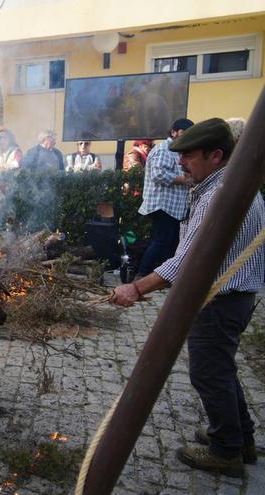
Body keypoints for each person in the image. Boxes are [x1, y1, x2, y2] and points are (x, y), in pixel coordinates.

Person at [109, 118, 262, 478]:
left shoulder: (219, 197)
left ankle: (226, 451)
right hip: (234, 294)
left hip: (222, 298)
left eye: (189, 156)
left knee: (209, 373)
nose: (180, 162)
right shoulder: (231, 187)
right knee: (221, 369)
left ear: (216, 155)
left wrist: (135, 287)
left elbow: (186, 261)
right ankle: (241, 438)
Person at [137, 118, 195, 277]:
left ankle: (165, 277)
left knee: (171, 244)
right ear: (174, 132)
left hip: (174, 208)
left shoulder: (178, 150)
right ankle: (142, 275)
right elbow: (158, 174)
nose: (187, 136)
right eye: (184, 133)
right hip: (162, 205)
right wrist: (184, 179)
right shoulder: (164, 149)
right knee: (162, 242)